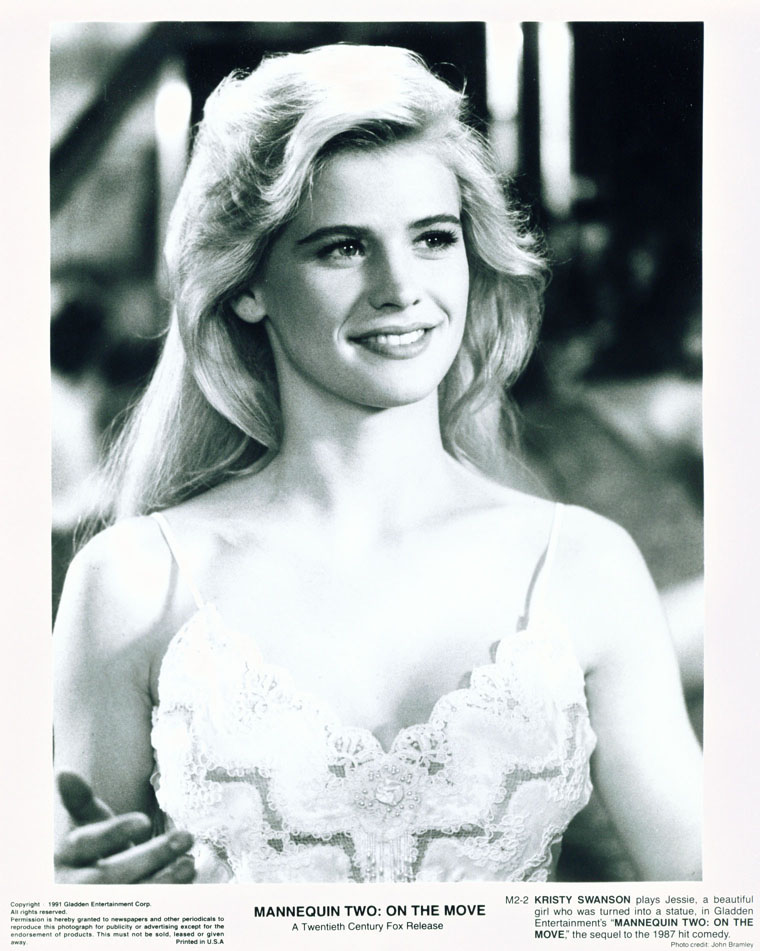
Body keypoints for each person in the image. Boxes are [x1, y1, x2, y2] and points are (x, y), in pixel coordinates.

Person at [53, 44, 701, 884]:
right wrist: (62, 911)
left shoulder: (584, 564)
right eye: (342, 248)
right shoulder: (131, 583)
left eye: (433, 239)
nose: (401, 288)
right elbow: (78, 908)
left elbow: (713, 913)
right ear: (246, 285)